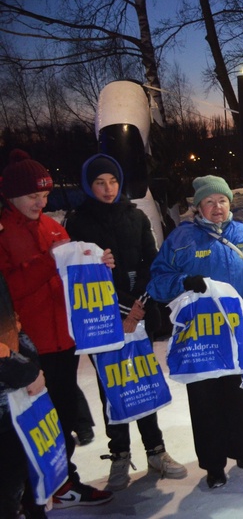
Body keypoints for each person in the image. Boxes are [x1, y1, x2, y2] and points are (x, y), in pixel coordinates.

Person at [63, 154, 187, 490]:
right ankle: (119, 454)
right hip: (103, 320)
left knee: (142, 379)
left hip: (140, 313)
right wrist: (123, 310)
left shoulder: (136, 216)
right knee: (112, 387)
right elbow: (83, 273)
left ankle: (156, 451)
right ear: (89, 186)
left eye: (113, 181)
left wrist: (140, 306)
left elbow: (153, 261)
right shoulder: (77, 222)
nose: (107, 188)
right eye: (100, 182)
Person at [0, 149, 114, 508]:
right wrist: (47, 262)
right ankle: (29, 495)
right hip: (26, 350)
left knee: (60, 421)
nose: (41, 201)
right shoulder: (3, 234)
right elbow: (8, 290)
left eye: (45, 194)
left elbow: (72, 276)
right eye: (33, 195)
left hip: (63, 339)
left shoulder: (52, 226)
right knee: (30, 427)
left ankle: (63, 483)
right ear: (10, 195)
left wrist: (97, 263)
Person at [147, 175, 243, 489]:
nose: (217, 207)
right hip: (200, 337)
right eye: (209, 202)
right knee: (205, 401)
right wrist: (183, 282)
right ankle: (213, 464)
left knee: (242, 397)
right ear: (198, 206)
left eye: (222, 201)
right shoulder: (182, 238)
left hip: (236, 334)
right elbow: (158, 280)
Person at [0, 272, 50, 519]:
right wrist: (27, 371)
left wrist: (31, 367)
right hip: (8, 394)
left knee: (21, 472)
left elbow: (12, 325)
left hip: (14, 398)